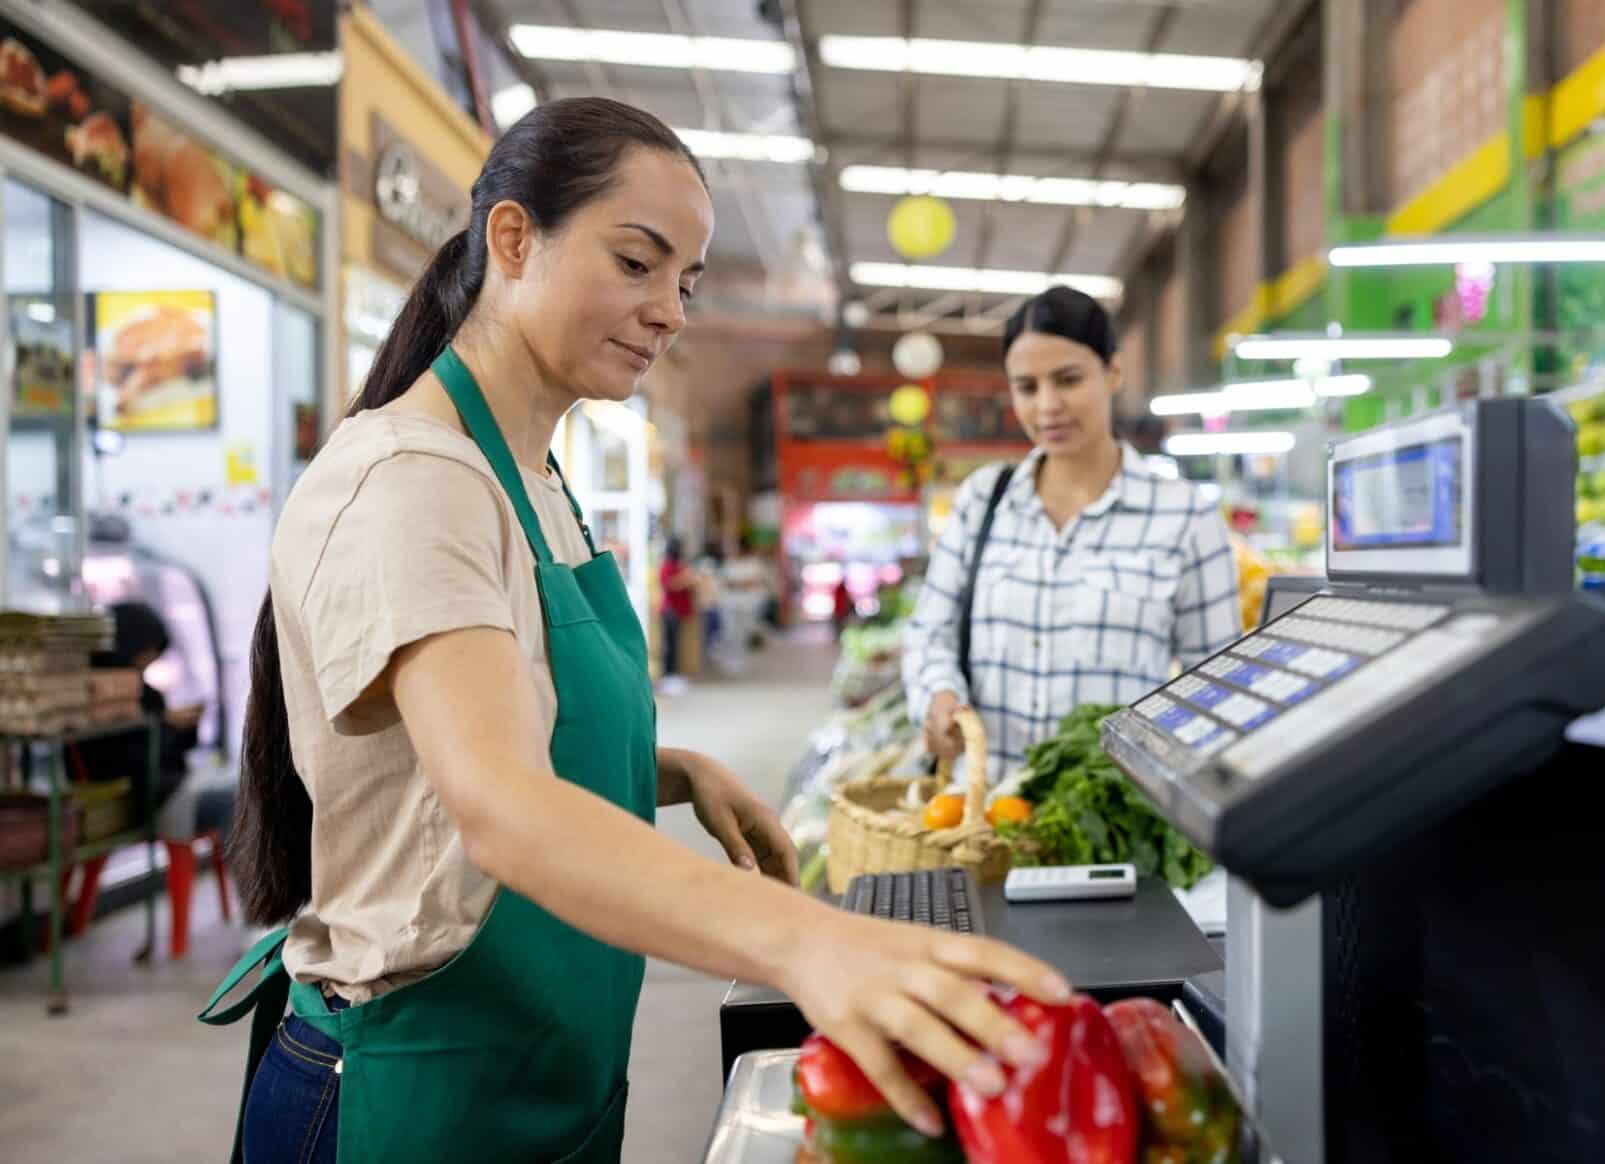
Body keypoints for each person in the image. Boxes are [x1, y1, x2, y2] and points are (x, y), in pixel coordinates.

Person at [202, 99, 1068, 1164]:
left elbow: (470, 734)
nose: (669, 312)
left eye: (687, 283)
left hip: (540, 1076)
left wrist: (667, 766)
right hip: (409, 1090)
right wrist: (813, 943)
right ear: (513, 240)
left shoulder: (538, 479)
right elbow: (499, 808)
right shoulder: (414, 477)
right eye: (636, 262)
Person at [903, 285, 1242, 776]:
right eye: (1027, 387)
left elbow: (1214, 688)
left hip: (1115, 824)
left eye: (1068, 379)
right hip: (983, 818)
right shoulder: (983, 501)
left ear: (1114, 372)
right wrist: (938, 695)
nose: (1047, 406)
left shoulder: (1185, 518)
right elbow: (929, 632)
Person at [75, 601, 202, 815]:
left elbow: (171, 751)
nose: (153, 657)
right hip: (130, 786)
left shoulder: (148, 694)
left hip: (162, 781)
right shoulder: (94, 695)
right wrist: (164, 725)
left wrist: (183, 726)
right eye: (150, 648)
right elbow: (129, 758)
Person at [658, 535, 696, 684]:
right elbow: (670, 585)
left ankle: (674, 674)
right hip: (670, 610)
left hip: (677, 610)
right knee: (669, 645)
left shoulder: (678, 566)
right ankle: (668, 676)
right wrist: (685, 579)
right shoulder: (667, 566)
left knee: (675, 644)